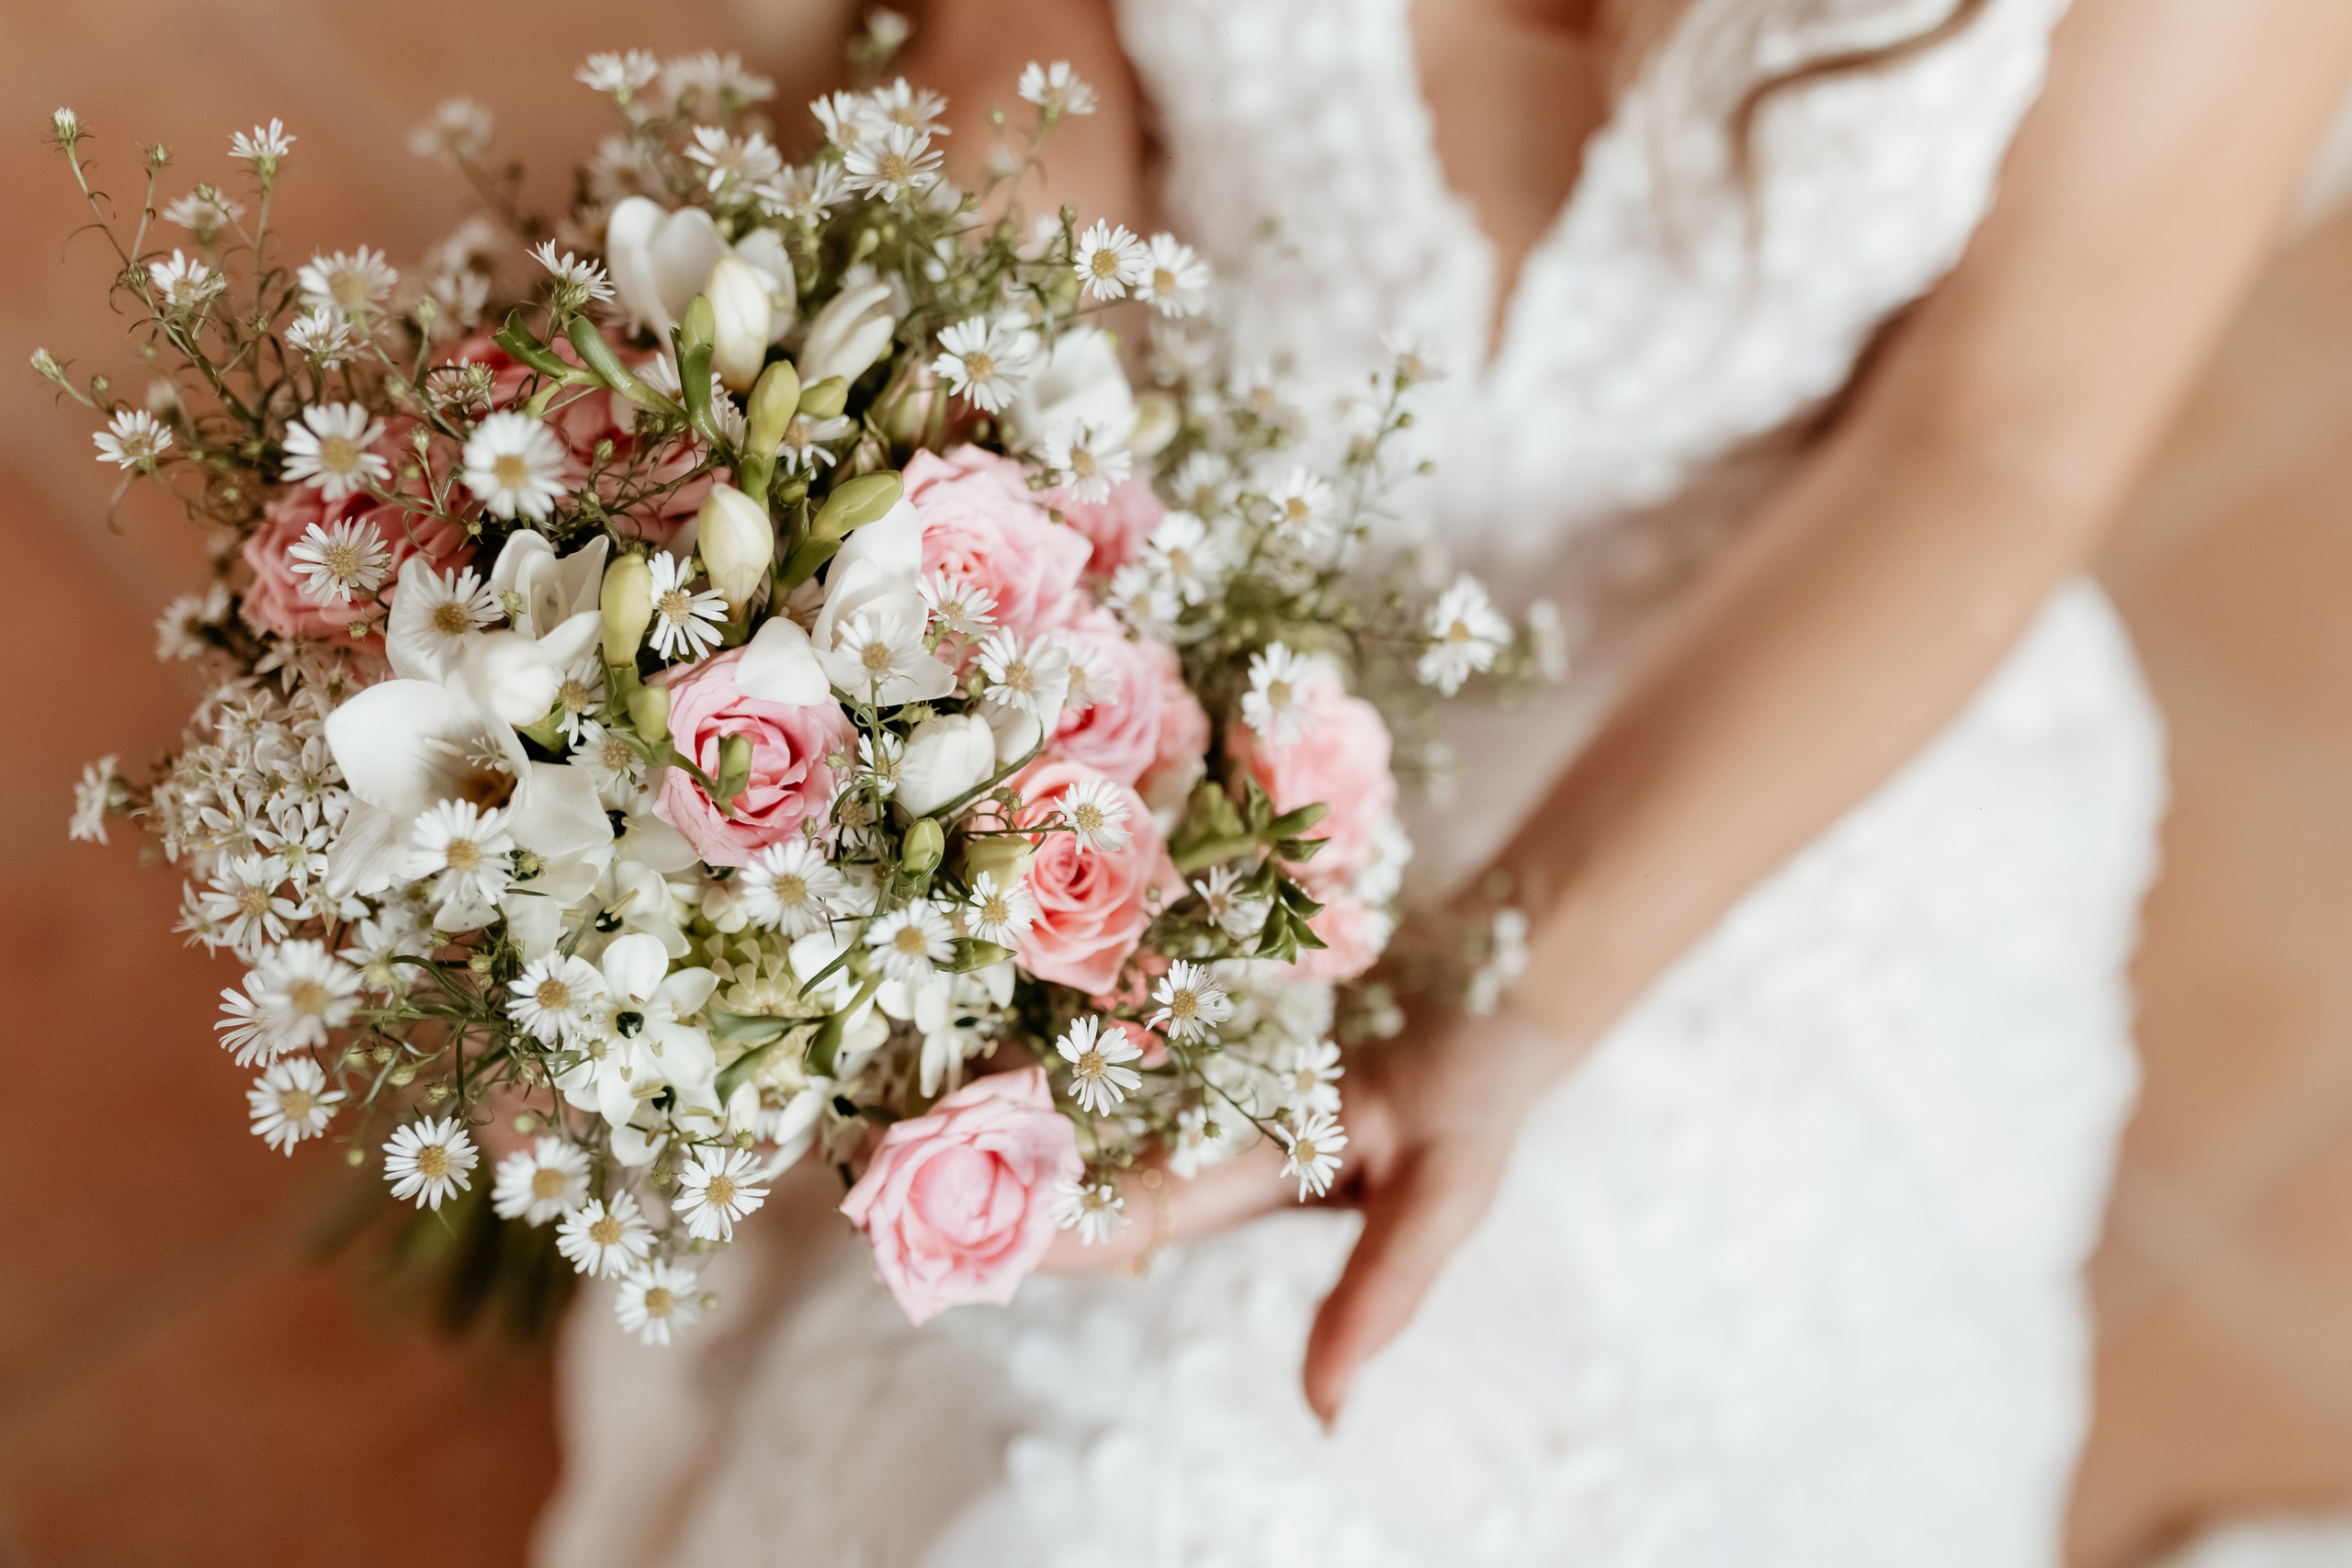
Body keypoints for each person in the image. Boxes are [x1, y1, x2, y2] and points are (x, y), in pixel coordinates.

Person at [535, 2, 2352, 1563]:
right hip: (1170, 641)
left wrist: (1502, 984)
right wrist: (909, 544)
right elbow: (1029, 75)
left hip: (1747, 756)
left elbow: (1995, 441)